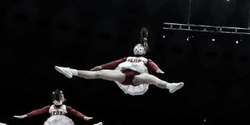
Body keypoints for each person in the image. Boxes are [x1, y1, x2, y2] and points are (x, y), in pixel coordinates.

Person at [54, 31, 184, 95]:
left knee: (152, 79)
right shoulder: (127, 57)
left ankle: (169, 86)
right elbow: (114, 62)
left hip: (137, 77)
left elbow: (152, 64)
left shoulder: (145, 59)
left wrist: (157, 70)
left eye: (141, 47)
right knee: (99, 74)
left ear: (144, 51)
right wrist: (101, 66)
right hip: (122, 76)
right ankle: (71, 71)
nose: (139, 48)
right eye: (137, 46)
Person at [0, 90, 102, 125]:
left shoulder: (66, 107)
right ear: (53, 100)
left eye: (58, 99)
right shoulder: (49, 107)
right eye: (54, 100)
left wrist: (84, 117)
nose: (56, 102)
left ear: (62, 99)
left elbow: (75, 112)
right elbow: (37, 111)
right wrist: (25, 116)